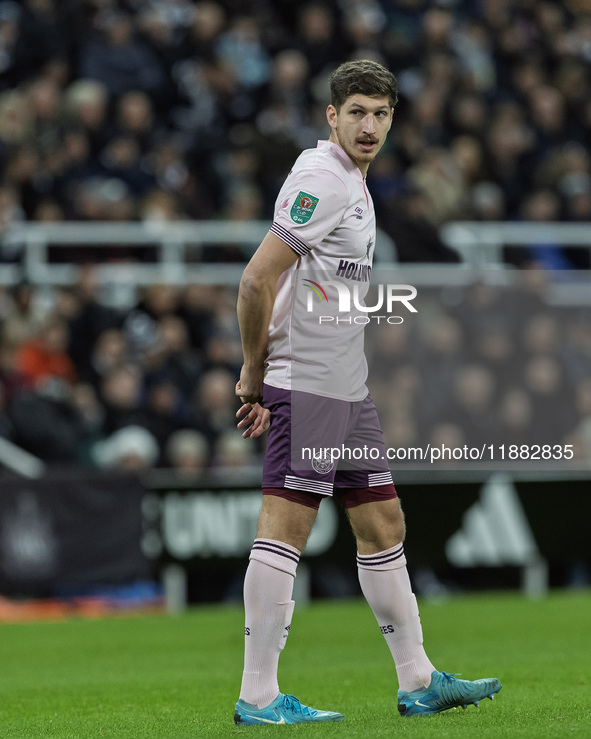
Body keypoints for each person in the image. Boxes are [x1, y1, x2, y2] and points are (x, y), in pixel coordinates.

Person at [233, 59, 501, 726]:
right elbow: (255, 280)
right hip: (309, 384)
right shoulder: (322, 179)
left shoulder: (350, 181)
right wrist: (252, 372)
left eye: (380, 114)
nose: (369, 125)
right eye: (356, 111)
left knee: (383, 521)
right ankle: (258, 695)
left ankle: (417, 679)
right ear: (331, 115)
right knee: (285, 528)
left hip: (343, 386)